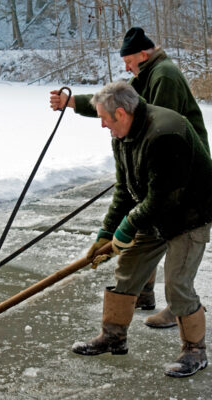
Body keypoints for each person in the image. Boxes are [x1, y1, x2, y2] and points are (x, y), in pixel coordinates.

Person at [50, 27, 210, 329]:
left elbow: (163, 139)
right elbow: (115, 102)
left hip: (184, 185)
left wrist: (125, 225)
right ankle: (125, 319)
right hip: (159, 175)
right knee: (134, 252)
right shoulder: (137, 95)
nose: (125, 66)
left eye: (128, 60)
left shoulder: (163, 79)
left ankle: (186, 326)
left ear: (143, 54)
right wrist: (107, 232)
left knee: (176, 278)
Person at [71, 81, 212, 378]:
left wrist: (127, 228)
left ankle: (195, 352)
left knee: (177, 285)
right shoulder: (122, 135)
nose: (102, 126)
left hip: (189, 216)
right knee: (128, 269)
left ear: (121, 113)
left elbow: (163, 196)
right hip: (155, 212)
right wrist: (106, 234)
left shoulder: (165, 134)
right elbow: (125, 189)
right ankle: (113, 337)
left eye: (104, 119)